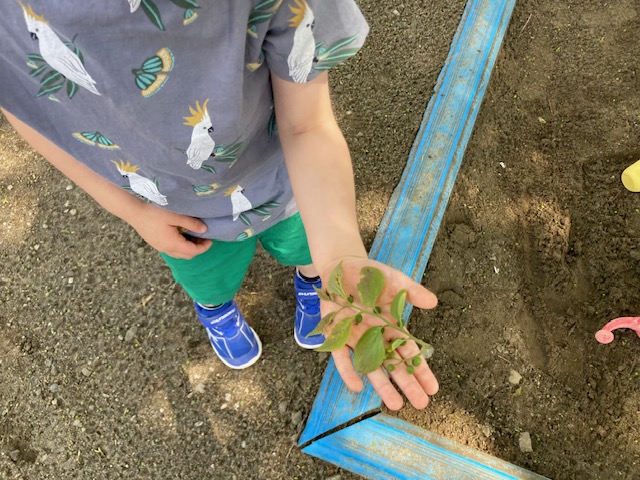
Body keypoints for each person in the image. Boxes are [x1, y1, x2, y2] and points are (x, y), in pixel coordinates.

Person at [0, 0, 439, 410]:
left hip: (286, 182)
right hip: (178, 214)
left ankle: (317, 283)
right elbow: (27, 111)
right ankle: (216, 310)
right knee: (208, 277)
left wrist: (340, 253)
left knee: (307, 248)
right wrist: (132, 211)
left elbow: (306, 125)